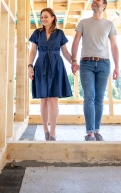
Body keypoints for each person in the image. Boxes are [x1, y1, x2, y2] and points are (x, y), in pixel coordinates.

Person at [71, 0, 119, 141]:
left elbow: (114, 46)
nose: (94, 2)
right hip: (86, 63)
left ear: (104, 5)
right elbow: (76, 42)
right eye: (93, 0)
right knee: (89, 96)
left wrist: (117, 66)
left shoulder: (109, 24)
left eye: (98, 0)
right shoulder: (83, 22)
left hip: (104, 64)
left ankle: (96, 130)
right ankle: (90, 132)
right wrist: (73, 60)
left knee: (99, 98)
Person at [28, 8, 73, 141]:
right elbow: (32, 51)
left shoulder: (59, 33)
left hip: (56, 66)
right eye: (41, 17)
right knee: (44, 100)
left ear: (53, 17)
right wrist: (30, 66)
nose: (43, 19)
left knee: (53, 100)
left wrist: (74, 62)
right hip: (41, 65)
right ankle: (45, 130)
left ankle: (53, 133)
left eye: (46, 16)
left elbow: (65, 52)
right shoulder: (37, 33)